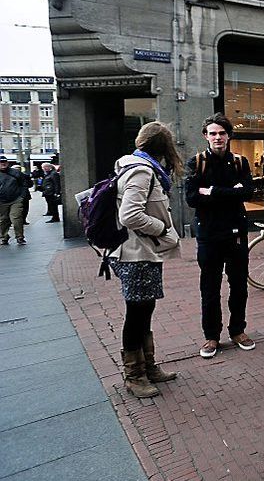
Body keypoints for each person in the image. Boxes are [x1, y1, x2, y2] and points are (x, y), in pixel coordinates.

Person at [109, 122, 182, 398]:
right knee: (137, 313)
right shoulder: (141, 171)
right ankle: (134, 375)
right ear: (163, 147)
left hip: (140, 252)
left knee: (144, 310)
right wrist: (161, 228)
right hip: (135, 254)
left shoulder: (135, 166)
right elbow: (129, 215)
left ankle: (148, 366)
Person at [184, 113, 256, 359]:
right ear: (205, 136)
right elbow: (192, 198)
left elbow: (247, 192)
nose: (217, 137)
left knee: (238, 285)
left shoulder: (240, 162)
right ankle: (211, 336)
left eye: (222, 133)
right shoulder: (196, 163)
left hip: (236, 232)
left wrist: (212, 191)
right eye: (213, 133)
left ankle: (238, 331)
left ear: (229, 136)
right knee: (210, 287)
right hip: (209, 233)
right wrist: (230, 192)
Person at [0, 156, 31, 245]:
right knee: (3, 220)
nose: (3, 163)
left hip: (16, 200)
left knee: (16, 218)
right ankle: (4, 237)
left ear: (7, 162)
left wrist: (22, 196)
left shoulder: (16, 173)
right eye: (1, 162)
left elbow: (24, 184)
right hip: (1, 201)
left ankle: (20, 237)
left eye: (4, 162)